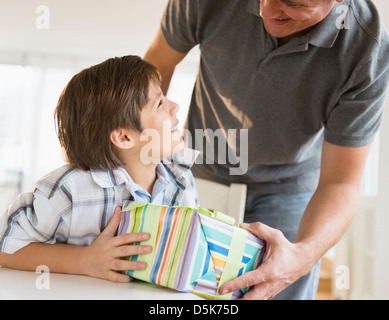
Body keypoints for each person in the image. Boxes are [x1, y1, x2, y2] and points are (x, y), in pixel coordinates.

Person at [144, 0, 389, 299]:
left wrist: (302, 256)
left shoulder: (367, 49)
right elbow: (157, 65)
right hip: (200, 172)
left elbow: (341, 182)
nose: (265, 11)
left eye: (292, 3)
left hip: (288, 188)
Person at [0, 55, 199, 282]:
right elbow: (5, 246)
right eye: (159, 103)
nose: (175, 106)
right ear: (124, 137)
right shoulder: (70, 190)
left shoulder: (182, 178)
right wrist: (85, 260)